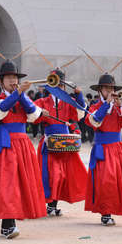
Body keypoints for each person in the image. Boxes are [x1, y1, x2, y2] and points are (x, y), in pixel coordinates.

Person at [0, 41, 46, 239]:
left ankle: (13, 220)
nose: (12, 80)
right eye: (9, 78)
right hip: (5, 144)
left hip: (22, 143)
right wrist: (18, 93)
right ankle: (8, 223)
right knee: (7, 182)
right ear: (1, 81)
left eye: (14, 77)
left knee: (22, 183)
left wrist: (21, 96)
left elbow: (34, 115)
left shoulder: (23, 98)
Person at [84, 73, 122, 226]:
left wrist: (121, 105)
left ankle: (114, 209)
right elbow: (95, 121)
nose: (110, 91)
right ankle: (105, 212)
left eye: (111, 88)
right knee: (105, 181)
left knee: (119, 181)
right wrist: (106, 104)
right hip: (103, 148)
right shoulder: (95, 106)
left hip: (117, 148)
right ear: (100, 90)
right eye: (106, 88)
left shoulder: (117, 106)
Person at [34, 69, 88, 216]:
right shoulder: (43, 102)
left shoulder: (68, 102)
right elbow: (31, 114)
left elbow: (79, 113)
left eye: (61, 85)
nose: (59, 88)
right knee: (53, 174)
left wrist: (79, 95)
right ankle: (50, 205)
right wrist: (40, 112)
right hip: (49, 143)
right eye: (55, 84)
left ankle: (53, 204)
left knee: (64, 175)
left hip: (65, 143)